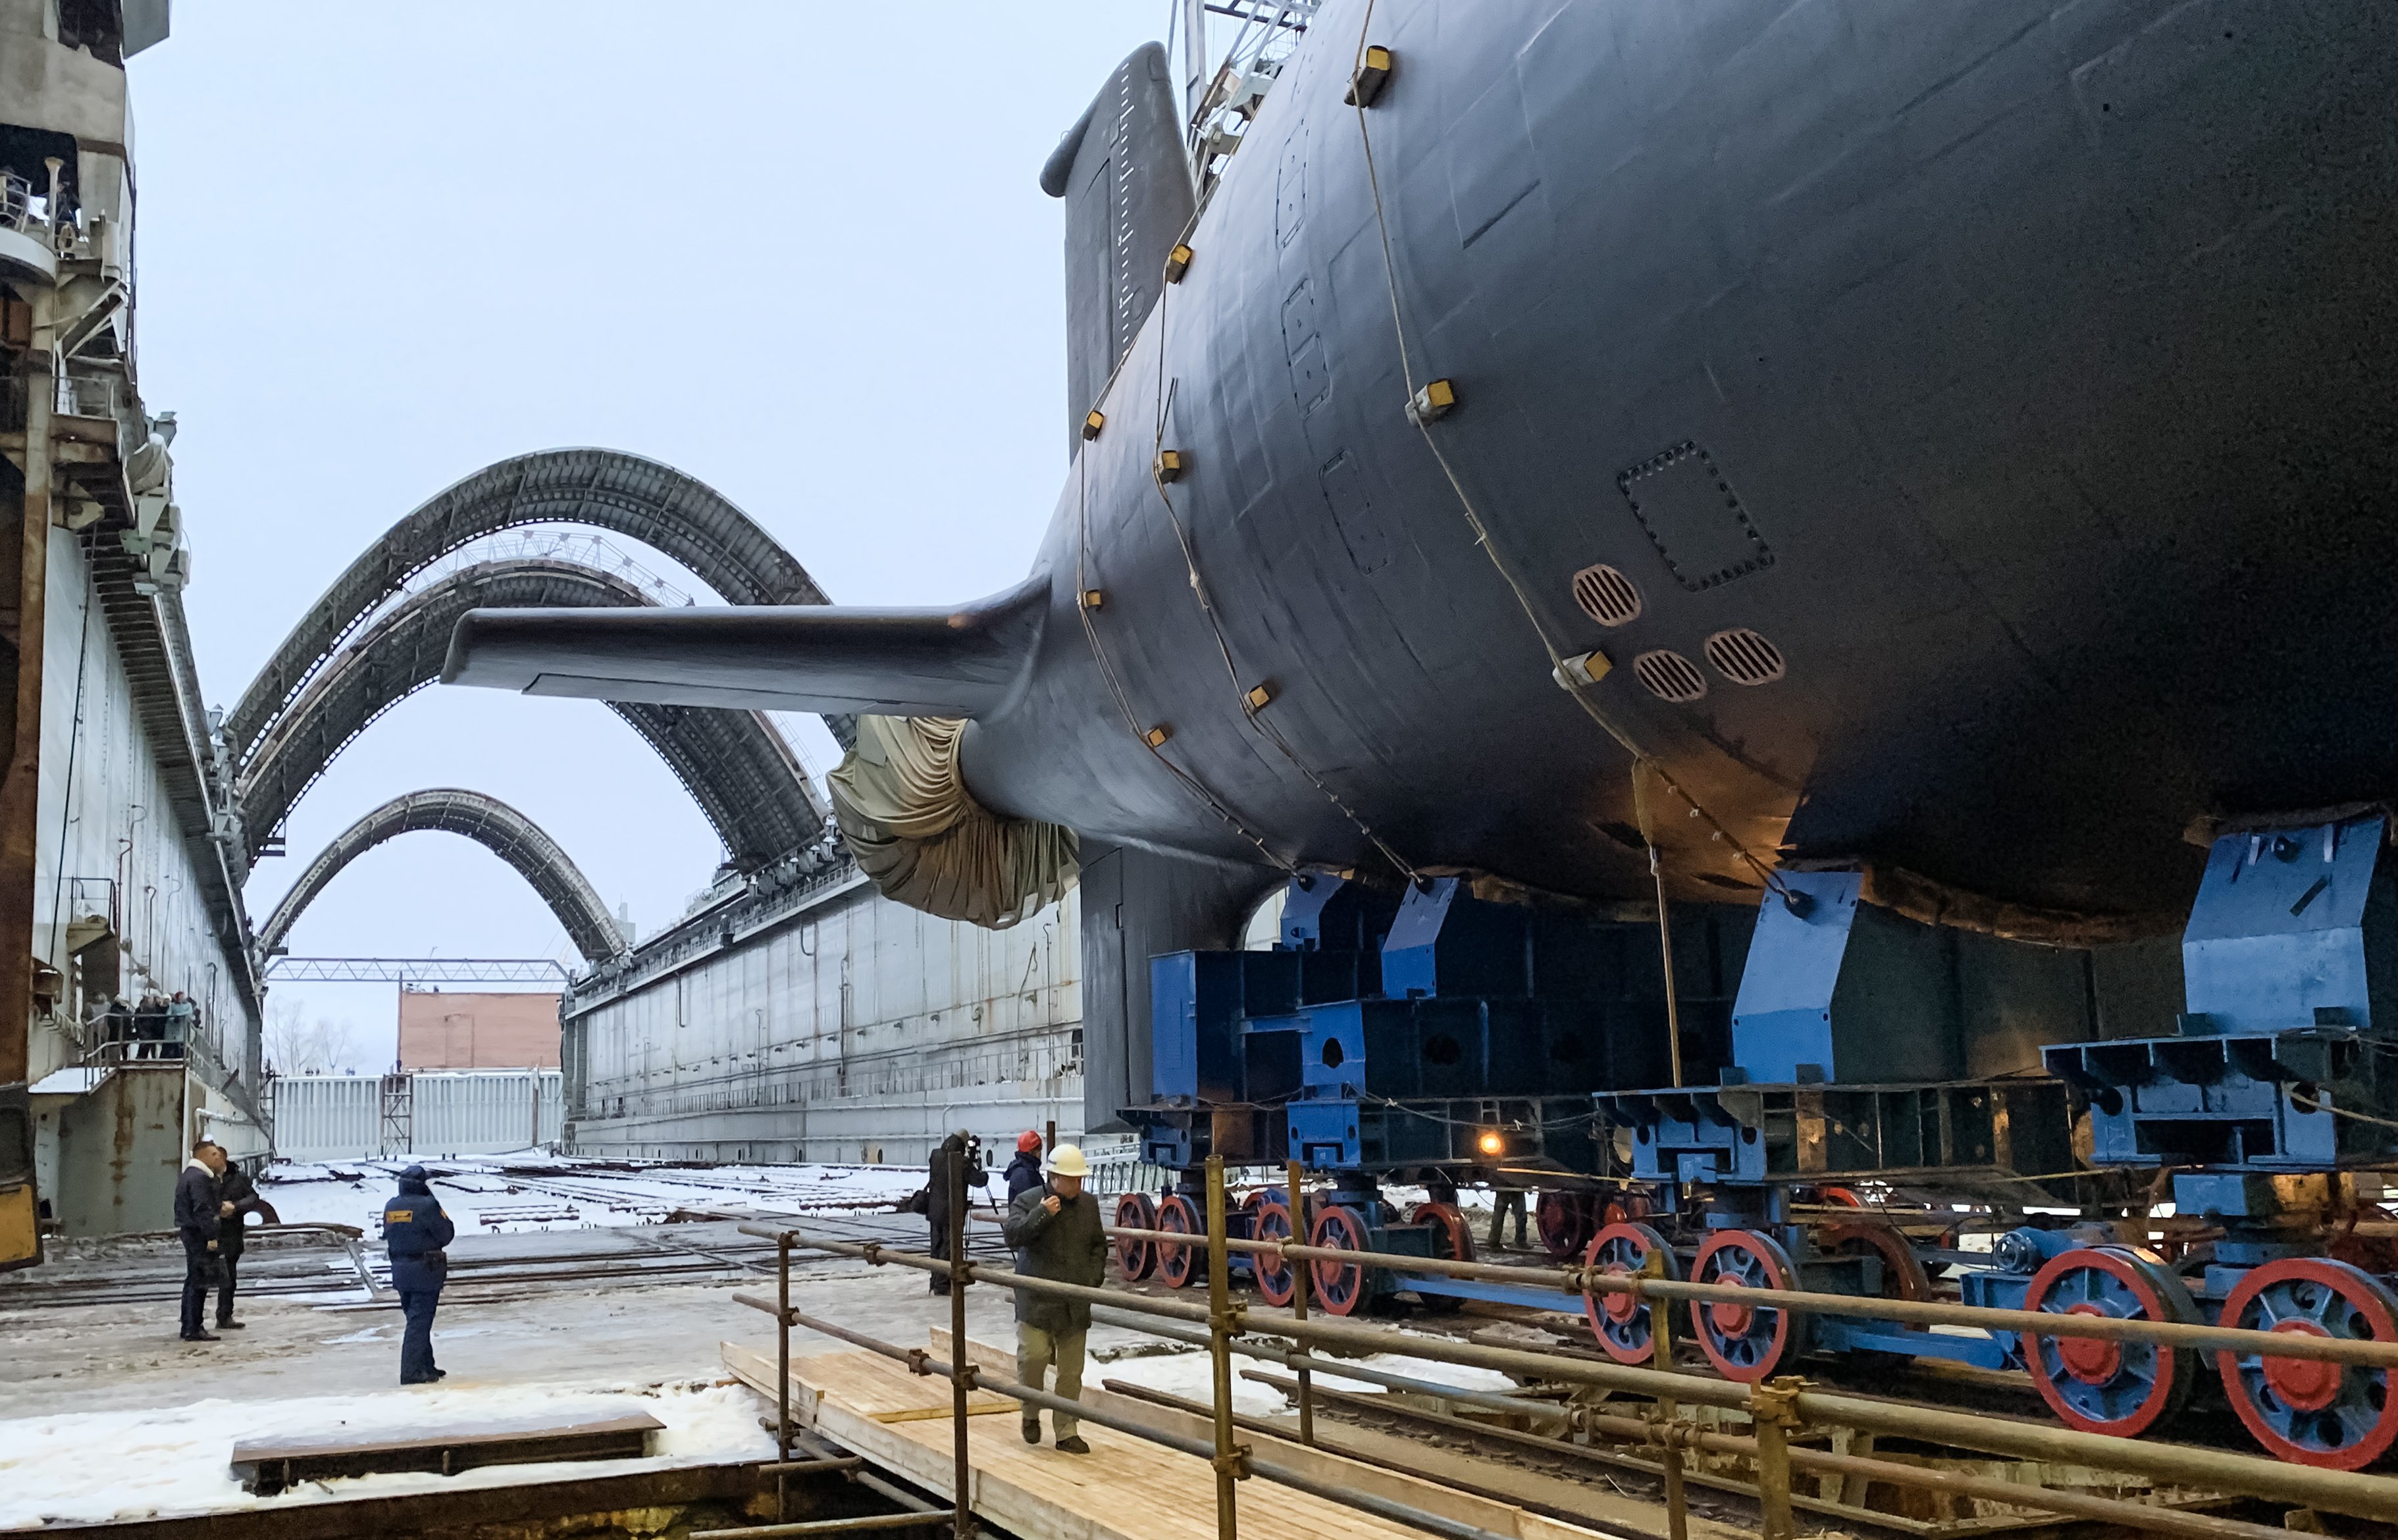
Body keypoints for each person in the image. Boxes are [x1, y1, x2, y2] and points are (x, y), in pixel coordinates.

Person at [1001, 1142, 1107, 1454]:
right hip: (1036, 1300)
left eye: (1080, 1179)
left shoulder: (1088, 1205)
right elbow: (1013, 1236)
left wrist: (1091, 1279)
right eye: (1072, 1179)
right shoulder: (1028, 1201)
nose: (1078, 1185)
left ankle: (1066, 1430)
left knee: (1071, 1371)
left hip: (1074, 1301)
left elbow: (1098, 1246)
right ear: (1054, 1177)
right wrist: (1042, 1214)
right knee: (1033, 1357)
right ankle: (1030, 1412)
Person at [382, 1164, 456, 1385]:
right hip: (425, 1270)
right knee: (419, 1322)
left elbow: (389, 1234)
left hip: (400, 1269)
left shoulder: (391, 1206)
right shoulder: (428, 1205)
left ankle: (425, 1365)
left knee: (415, 1319)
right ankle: (412, 1372)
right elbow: (446, 1233)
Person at [172, 1140, 229, 1342]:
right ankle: (194, 1327)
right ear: (202, 1156)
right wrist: (212, 1236)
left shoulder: (190, 1176)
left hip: (192, 1233)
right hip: (198, 1235)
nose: (218, 1157)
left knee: (194, 1280)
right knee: (199, 1282)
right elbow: (202, 1210)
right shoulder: (199, 1178)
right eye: (213, 1154)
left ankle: (189, 1325)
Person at [924, 1130, 985, 1297]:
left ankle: (934, 1282)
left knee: (936, 1247)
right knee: (950, 1249)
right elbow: (979, 1180)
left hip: (934, 1209)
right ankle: (942, 1285)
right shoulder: (961, 1162)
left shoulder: (935, 1155)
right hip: (952, 1212)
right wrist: (979, 1168)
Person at [213, 1156, 263, 1329]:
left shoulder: (238, 1179)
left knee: (229, 1279)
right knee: (199, 1281)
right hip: (207, 1235)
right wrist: (218, 1208)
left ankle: (225, 1316)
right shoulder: (203, 1178)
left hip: (231, 1235)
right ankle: (192, 1323)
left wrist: (235, 1207)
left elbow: (253, 1198)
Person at [1003, 1131, 1045, 1202]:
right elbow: (1028, 1203)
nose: (1040, 1153)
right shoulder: (1026, 1174)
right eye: (1039, 1149)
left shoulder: (1023, 1169)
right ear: (1031, 1151)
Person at [1488, 1184, 1528, 1251]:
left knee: (1499, 1216)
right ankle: (1521, 1241)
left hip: (1504, 1187)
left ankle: (1493, 1240)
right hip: (1514, 1188)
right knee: (1520, 1216)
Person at [163, 990, 196, 1060]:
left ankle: (183, 1057)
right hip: (173, 1027)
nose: (181, 999)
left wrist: (179, 1015)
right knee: (172, 1044)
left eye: (182, 997)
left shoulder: (188, 1005)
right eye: (180, 997)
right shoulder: (173, 1005)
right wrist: (173, 1018)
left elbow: (189, 1014)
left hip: (183, 1027)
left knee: (184, 1042)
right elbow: (168, 1014)